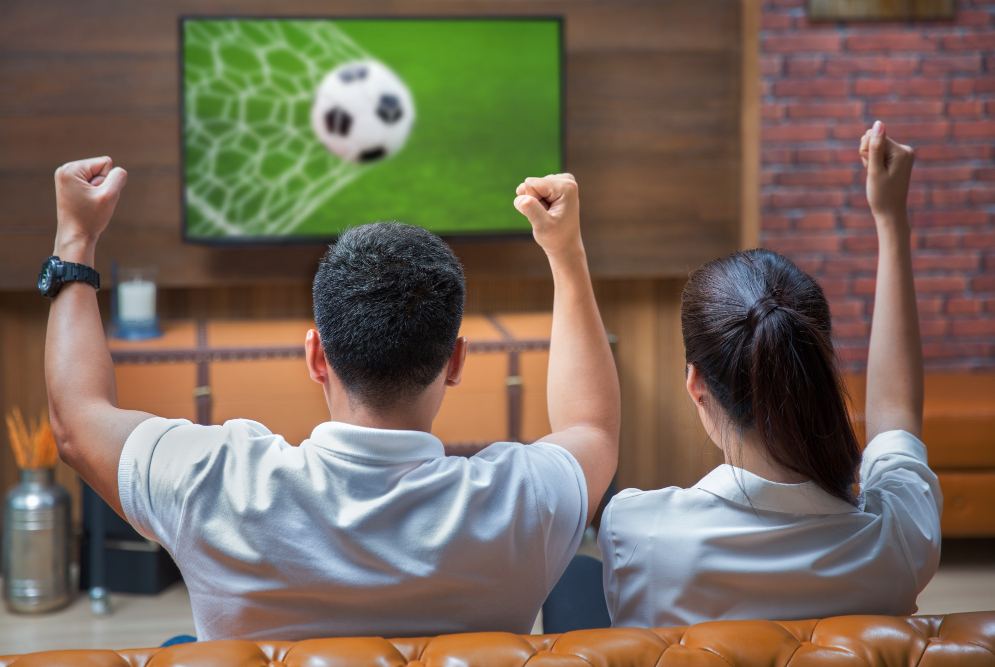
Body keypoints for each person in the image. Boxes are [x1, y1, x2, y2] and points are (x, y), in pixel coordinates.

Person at [44, 164, 619, 641]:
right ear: (455, 363)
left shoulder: (209, 479)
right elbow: (592, 428)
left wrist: (76, 237)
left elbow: (76, 422)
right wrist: (566, 255)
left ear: (317, 357)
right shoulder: (525, 503)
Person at [598, 121, 941, 626]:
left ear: (697, 385)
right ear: (818, 367)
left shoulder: (635, 531)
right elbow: (896, 418)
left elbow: (896, 418)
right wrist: (891, 220)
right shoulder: (897, 541)